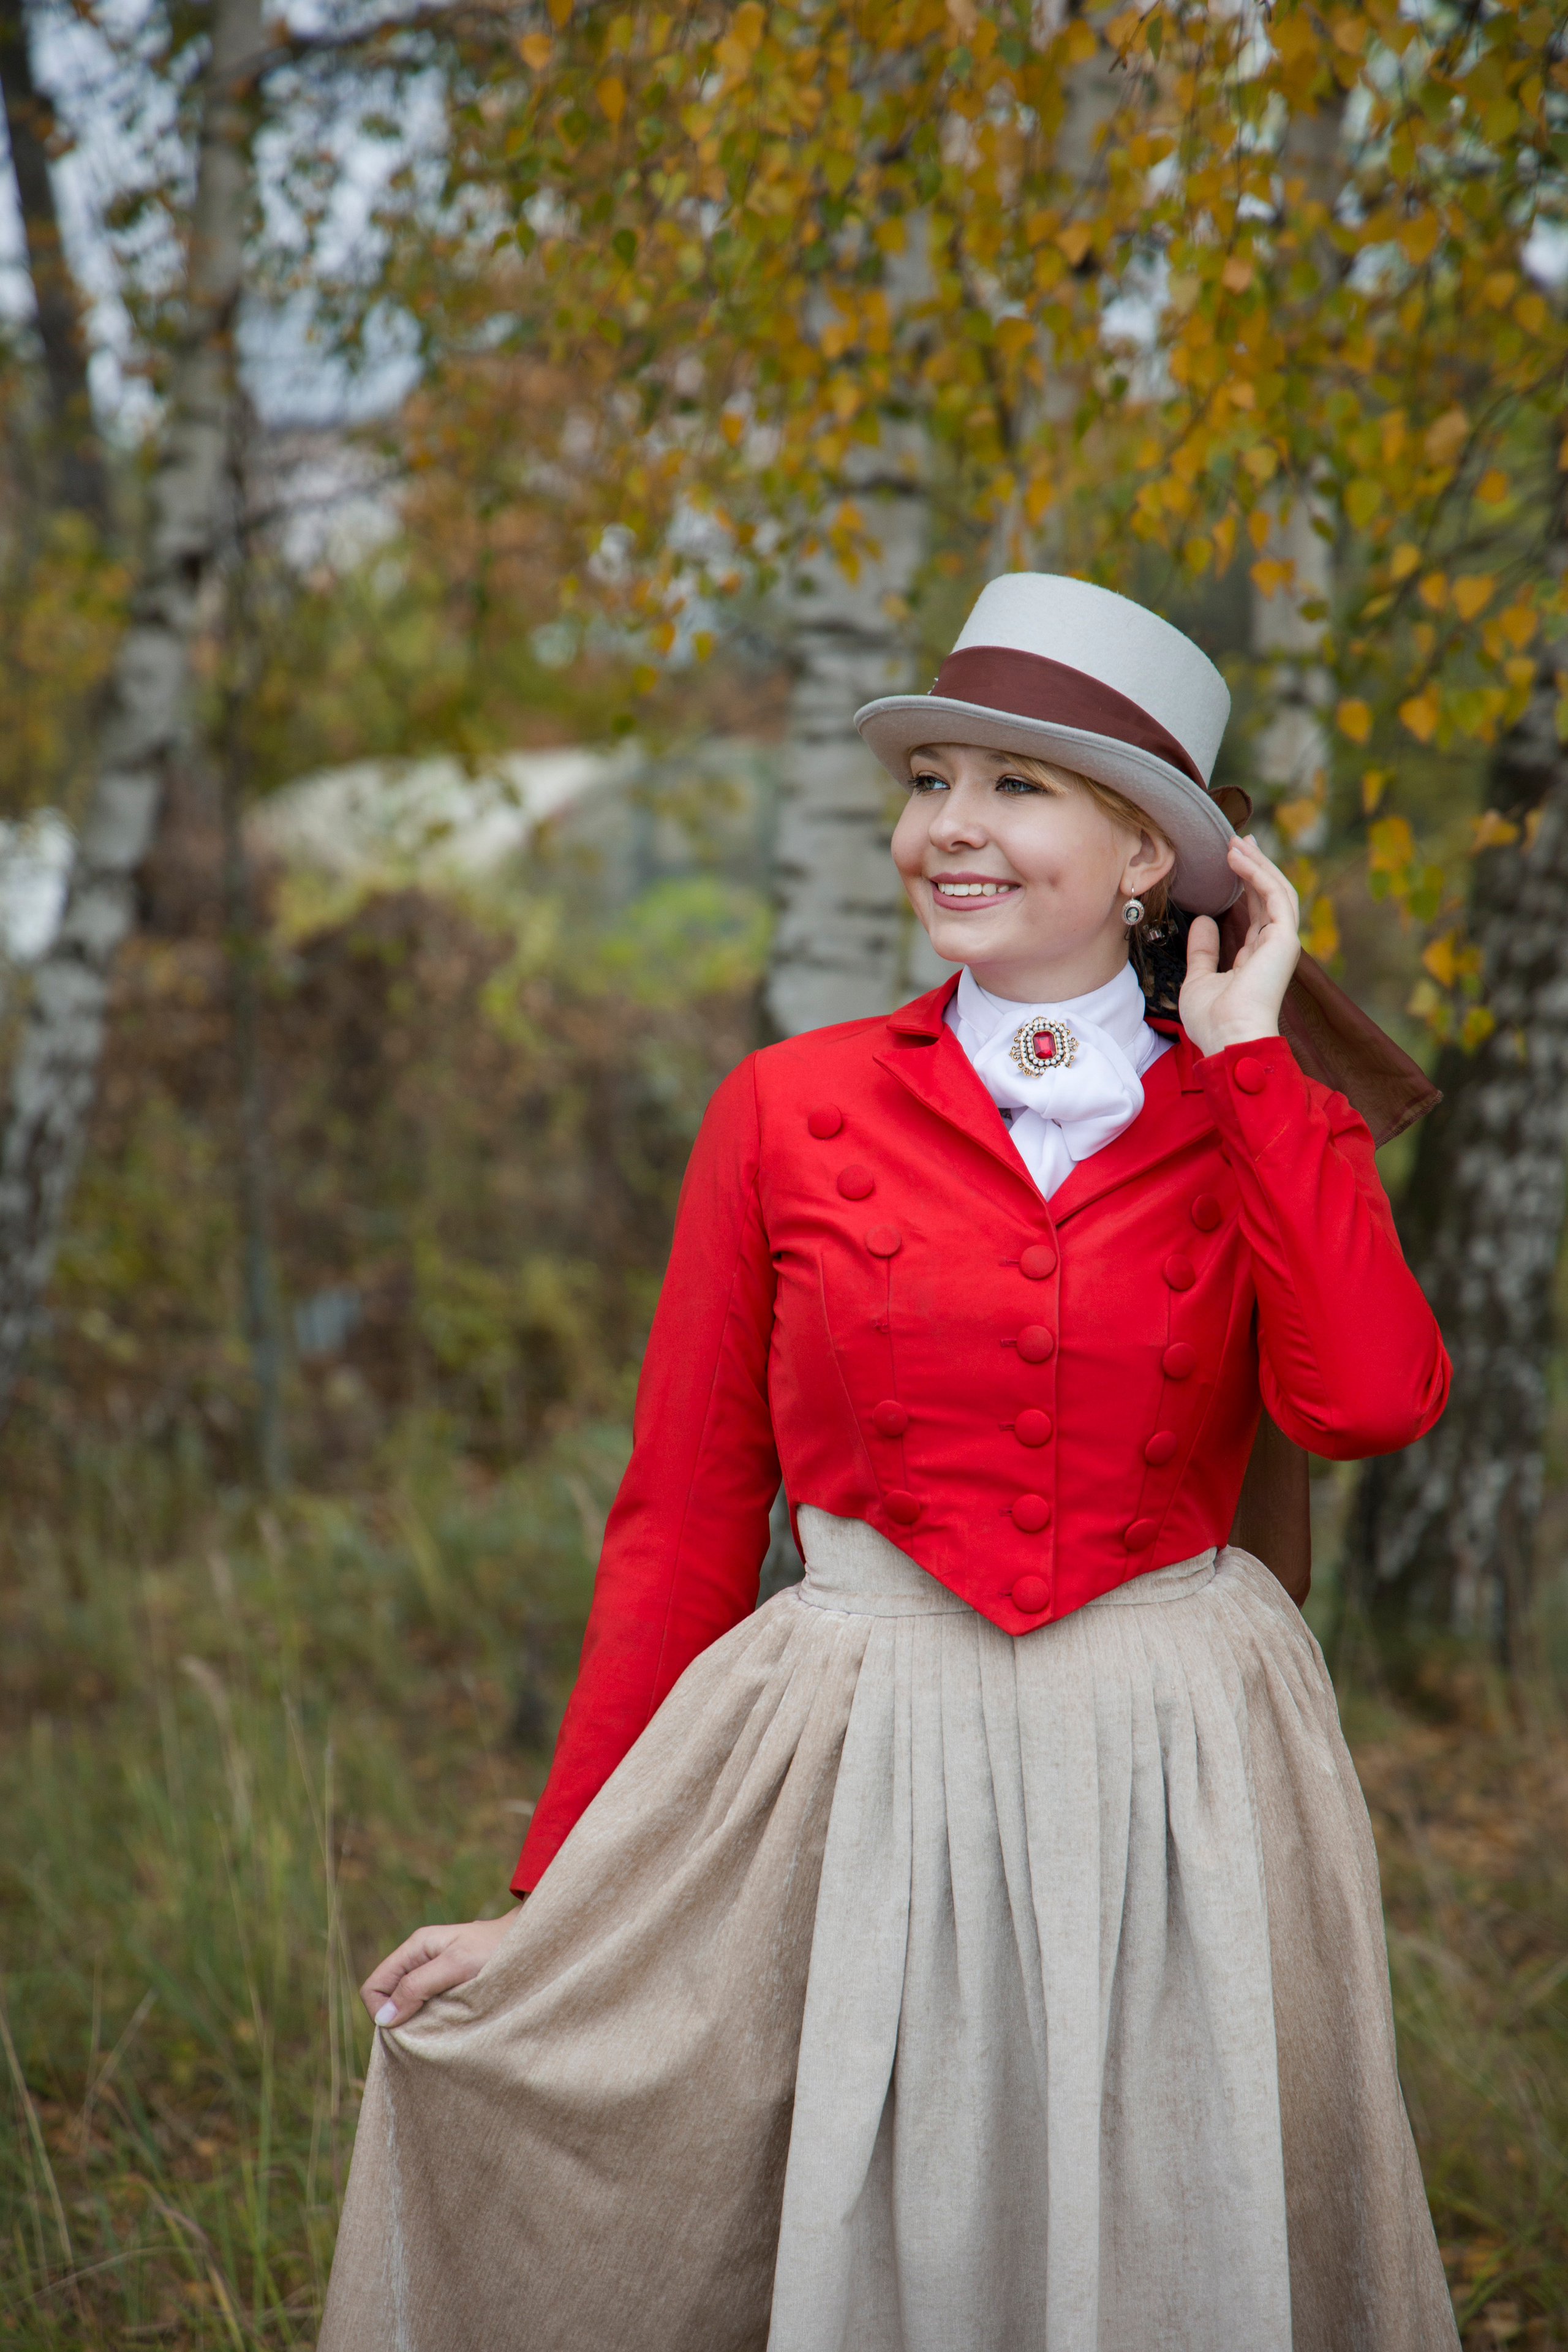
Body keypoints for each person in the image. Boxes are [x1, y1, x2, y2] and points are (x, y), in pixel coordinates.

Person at [319, 574, 1459, 2352]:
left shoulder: (1258, 1114)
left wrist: (1247, 1069)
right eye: (932, 778)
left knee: (1173, 2229)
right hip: (860, 1752)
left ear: (1152, 855)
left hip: (1177, 1771)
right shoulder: (789, 1106)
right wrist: (555, 1912)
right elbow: (687, 1520)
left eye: (1017, 786)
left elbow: (1371, 1403)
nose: (950, 828)